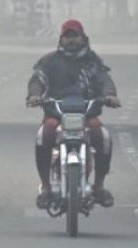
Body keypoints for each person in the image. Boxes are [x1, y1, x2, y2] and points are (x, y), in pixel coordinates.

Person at [26, 19, 121, 209]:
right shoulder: (49, 61)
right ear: (61, 39)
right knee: (44, 135)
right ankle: (45, 188)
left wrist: (110, 96)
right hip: (56, 115)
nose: (71, 40)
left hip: (86, 116)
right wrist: (35, 95)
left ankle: (99, 186)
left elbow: (104, 81)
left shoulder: (93, 63)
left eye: (75, 36)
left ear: (83, 38)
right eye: (67, 36)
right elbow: (37, 80)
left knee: (102, 137)